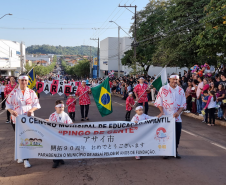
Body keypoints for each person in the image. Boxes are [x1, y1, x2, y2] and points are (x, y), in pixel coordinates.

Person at [6, 73, 41, 168]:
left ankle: (26, 159)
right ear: (19, 81)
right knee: (19, 137)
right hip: (16, 118)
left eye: (25, 80)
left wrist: (31, 110)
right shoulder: (13, 93)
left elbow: (36, 104)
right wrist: (12, 111)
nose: (24, 82)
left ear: (28, 81)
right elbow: (8, 105)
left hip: (28, 119)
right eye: (22, 80)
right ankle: (20, 155)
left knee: (26, 138)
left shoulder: (31, 92)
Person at [154, 73, 186, 159]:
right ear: (169, 79)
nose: (175, 81)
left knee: (177, 135)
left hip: (177, 117)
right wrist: (161, 111)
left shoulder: (180, 90)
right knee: (165, 135)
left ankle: (174, 151)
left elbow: (183, 103)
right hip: (166, 117)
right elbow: (158, 101)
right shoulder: (163, 89)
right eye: (173, 79)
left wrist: (178, 112)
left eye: (176, 80)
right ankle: (166, 152)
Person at [49, 100, 73, 168]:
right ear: (55, 107)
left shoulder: (65, 115)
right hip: (55, 134)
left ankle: (60, 158)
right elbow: (50, 125)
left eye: (62, 107)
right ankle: (56, 160)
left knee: (61, 147)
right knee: (56, 147)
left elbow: (69, 122)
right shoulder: (52, 115)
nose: (61, 108)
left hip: (63, 134)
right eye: (59, 107)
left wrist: (72, 126)